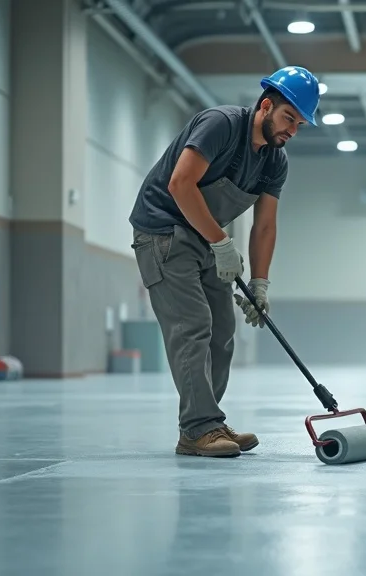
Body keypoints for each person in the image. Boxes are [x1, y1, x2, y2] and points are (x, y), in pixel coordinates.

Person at [128, 66, 321, 458]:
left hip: (206, 237)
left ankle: (207, 423)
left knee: (222, 331)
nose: (292, 131)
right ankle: (199, 427)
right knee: (192, 325)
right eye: (288, 119)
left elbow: (265, 226)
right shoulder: (221, 125)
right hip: (163, 231)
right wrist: (220, 242)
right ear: (266, 106)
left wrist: (261, 285)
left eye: (300, 124)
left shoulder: (274, 162)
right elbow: (180, 184)